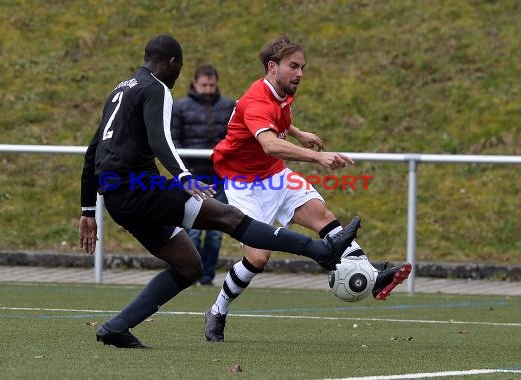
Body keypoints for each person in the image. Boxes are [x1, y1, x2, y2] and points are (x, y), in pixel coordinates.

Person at [79, 34, 362, 349]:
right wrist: (184, 176)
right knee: (229, 217)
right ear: (172, 63)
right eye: (179, 68)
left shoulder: (119, 90)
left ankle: (116, 328)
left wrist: (88, 210)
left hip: (119, 196)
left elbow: (93, 152)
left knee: (189, 264)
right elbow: (160, 139)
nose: (178, 76)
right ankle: (323, 252)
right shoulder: (155, 88)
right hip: (142, 188)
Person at [203, 35, 412, 342]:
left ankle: (374, 278)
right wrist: (317, 157)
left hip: (274, 176)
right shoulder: (257, 100)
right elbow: (270, 143)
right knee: (259, 258)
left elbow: (278, 122)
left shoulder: (281, 91)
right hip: (244, 185)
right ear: (273, 67)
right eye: (294, 66)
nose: (300, 73)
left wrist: (298, 133)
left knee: (322, 215)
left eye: (303, 67)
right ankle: (218, 310)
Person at [171, 65, 236, 285]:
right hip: (193, 177)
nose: (208, 89)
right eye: (204, 85)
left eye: (212, 85)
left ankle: (207, 277)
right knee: (192, 230)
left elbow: (234, 138)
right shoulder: (180, 107)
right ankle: (192, 273)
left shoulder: (228, 106)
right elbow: (174, 140)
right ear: (195, 83)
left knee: (217, 230)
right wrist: (184, 172)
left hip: (220, 176)